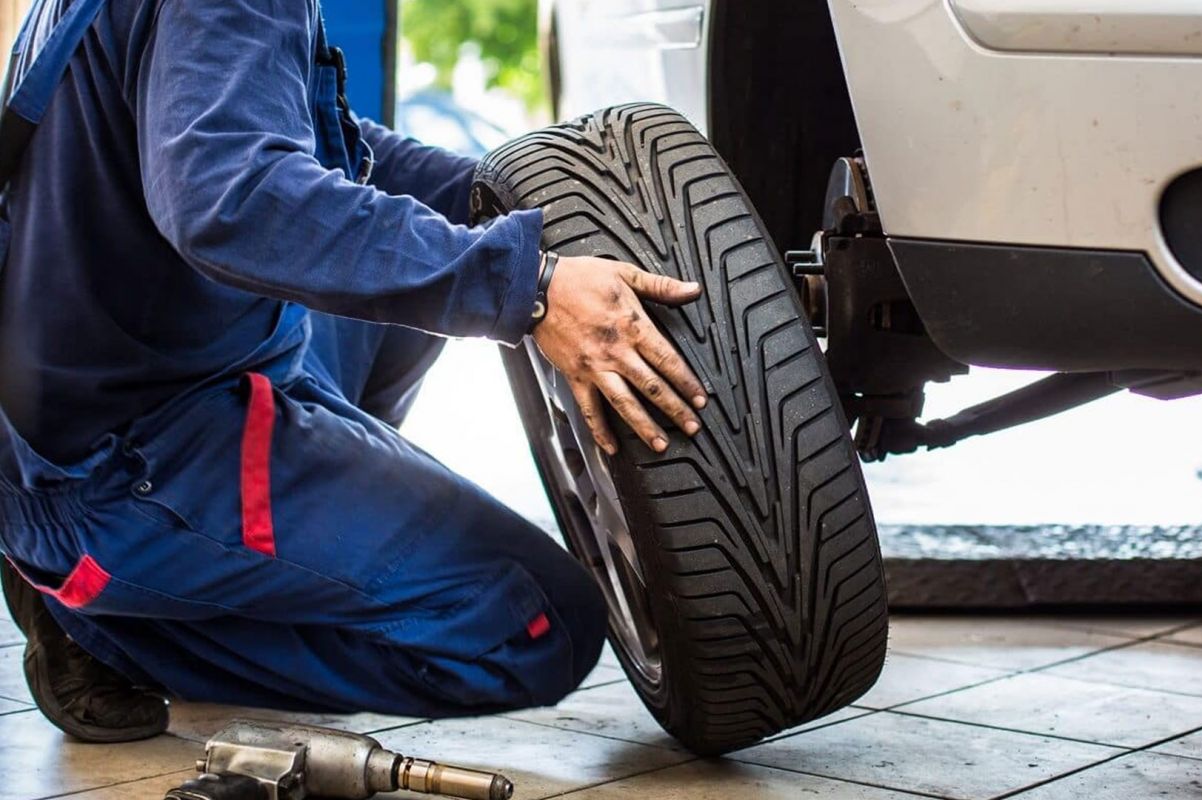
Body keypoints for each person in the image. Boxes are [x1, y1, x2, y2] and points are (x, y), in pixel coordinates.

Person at [0, 0, 706, 742]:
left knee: (405, 288)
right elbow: (228, 199)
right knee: (540, 622)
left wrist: (499, 205)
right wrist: (525, 288)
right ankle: (102, 624)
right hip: (123, 462)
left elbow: (294, 140)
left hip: (104, 387)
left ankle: (302, 547)